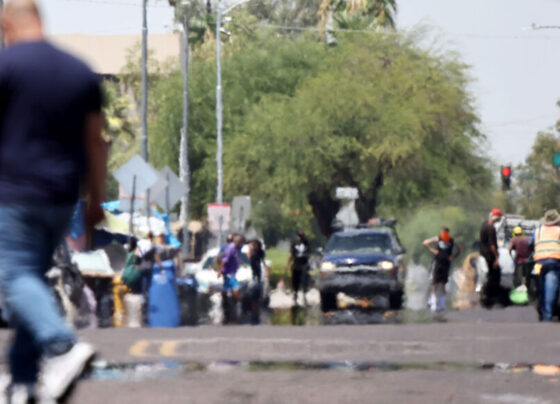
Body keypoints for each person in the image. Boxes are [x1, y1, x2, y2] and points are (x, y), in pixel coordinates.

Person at [0, 0, 106, 400]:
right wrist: (96, 198)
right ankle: (24, 383)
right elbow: (96, 143)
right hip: (63, 199)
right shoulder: (78, 71)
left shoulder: (7, 68)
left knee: (15, 279)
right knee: (32, 281)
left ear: (8, 25)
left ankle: (62, 344)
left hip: (14, 195)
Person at [423, 227, 462, 313]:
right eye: (443, 232)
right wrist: (433, 250)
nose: (444, 234)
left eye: (445, 232)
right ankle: (433, 303)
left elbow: (460, 249)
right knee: (435, 283)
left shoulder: (451, 240)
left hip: (445, 263)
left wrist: (454, 257)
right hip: (439, 263)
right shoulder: (439, 238)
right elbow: (425, 243)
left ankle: (441, 304)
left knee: (442, 284)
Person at [531, 210, 560, 322]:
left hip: (538, 263)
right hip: (553, 262)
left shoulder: (537, 231)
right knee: (550, 289)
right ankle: (547, 316)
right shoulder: (558, 230)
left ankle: (541, 311)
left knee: (541, 288)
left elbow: (531, 243)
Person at [479, 208, 503, 307]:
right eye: (499, 217)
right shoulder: (491, 228)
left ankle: (486, 297)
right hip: (490, 255)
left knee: (490, 276)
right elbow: (492, 245)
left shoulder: (484, 224)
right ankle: (489, 299)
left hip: (484, 253)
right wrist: (496, 258)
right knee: (494, 276)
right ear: (496, 217)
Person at [218, 234, 244, 324]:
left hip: (233, 274)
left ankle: (231, 316)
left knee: (226, 294)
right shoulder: (231, 248)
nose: (242, 243)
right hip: (229, 274)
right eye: (241, 241)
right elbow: (224, 260)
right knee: (236, 294)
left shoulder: (238, 249)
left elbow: (239, 258)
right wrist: (219, 271)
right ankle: (238, 310)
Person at [286, 230, 310, 305]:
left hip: (304, 264)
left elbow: (308, 254)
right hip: (296, 265)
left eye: (301, 236)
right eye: (299, 236)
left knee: (304, 280)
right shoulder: (294, 243)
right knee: (295, 281)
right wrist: (288, 264)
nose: (300, 238)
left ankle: (304, 295)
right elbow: (292, 255)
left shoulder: (306, 242)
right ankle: (295, 294)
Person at [248, 239, 268, 324]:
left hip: (257, 277)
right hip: (252, 277)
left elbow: (264, 263)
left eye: (256, 245)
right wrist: (250, 248)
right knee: (253, 298)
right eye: (254, 245)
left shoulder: (260, 253)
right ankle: (254, 314)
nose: (254, 246)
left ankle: (256, 315)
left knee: (256, 297)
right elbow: (248, 257)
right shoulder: (251, 253)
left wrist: (267, 271)